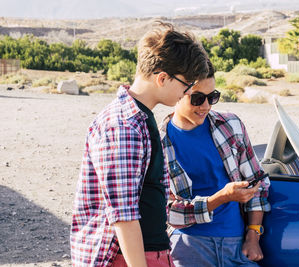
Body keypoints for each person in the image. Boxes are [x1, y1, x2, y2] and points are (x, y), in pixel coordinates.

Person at [70, 22, 209, 267]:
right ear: (162, 78)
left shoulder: (140, 119)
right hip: (125, 258)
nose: (188, 92)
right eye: (186, 84)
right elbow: (123, 217)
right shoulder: (124, 126)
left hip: (144, 254)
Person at [160, 60, 271, 267]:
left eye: (212, 97)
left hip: (236, 245)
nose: (206, 106)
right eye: (198, 98)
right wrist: (221, 198)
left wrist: (253, 235)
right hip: (188, 246)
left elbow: (258, 183)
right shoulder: (160, 143)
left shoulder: (231, 125)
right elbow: (169, 213)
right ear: (177, 94)